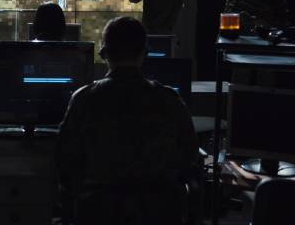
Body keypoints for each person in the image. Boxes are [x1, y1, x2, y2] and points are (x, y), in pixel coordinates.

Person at [56, 17, 199, 225]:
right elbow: (190, 156)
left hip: (98, 213)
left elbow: (64, 161)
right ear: (145, 53)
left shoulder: (83, 99)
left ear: (104, 53)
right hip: (158, 214)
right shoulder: (169, 99)